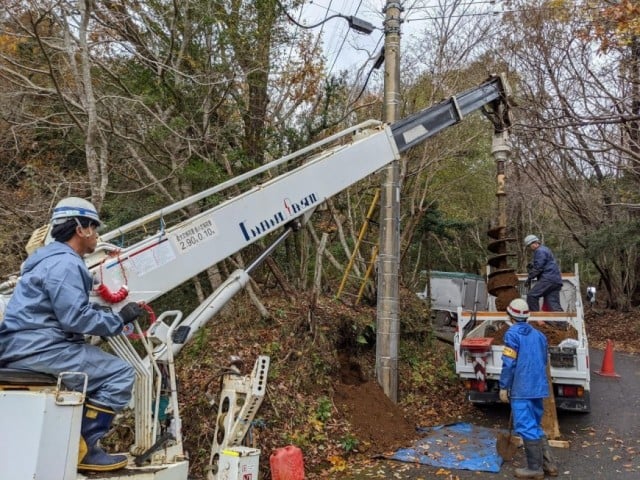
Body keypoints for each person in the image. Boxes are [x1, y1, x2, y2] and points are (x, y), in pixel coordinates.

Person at [0, 197, 143, 472]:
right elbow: (74, 317)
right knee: (120, 373)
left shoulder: (44, 261)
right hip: (42, 348)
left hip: (22, 346)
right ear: (81, 229)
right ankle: (85, 448)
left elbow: (64, 310)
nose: (97, 235)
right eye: (95, 228)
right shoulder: (66, 264)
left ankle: (70, 438)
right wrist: (118, 319)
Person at [499, 298, 558, 479]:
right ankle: (549, 465)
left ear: (510, 315)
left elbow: (509, 363)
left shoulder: (511, 335)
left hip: (522, 388)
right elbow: (543, 361)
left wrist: (504, 386)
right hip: (538, 387)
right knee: (535, 424)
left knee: (525, 425)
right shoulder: (539, 335)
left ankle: (535, 468)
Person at [523, 234, 563, 312]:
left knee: (532, 296)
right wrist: (533, 265)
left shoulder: (539, 251)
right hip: (556, 281)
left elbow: (538, 268)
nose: (530, 248)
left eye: (529, 245)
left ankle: (537, 319)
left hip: (548, 279)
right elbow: (544, 263)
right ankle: (562, 324)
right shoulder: (545, 249)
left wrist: (529, 278)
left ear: (534, 243)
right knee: (554, 305)